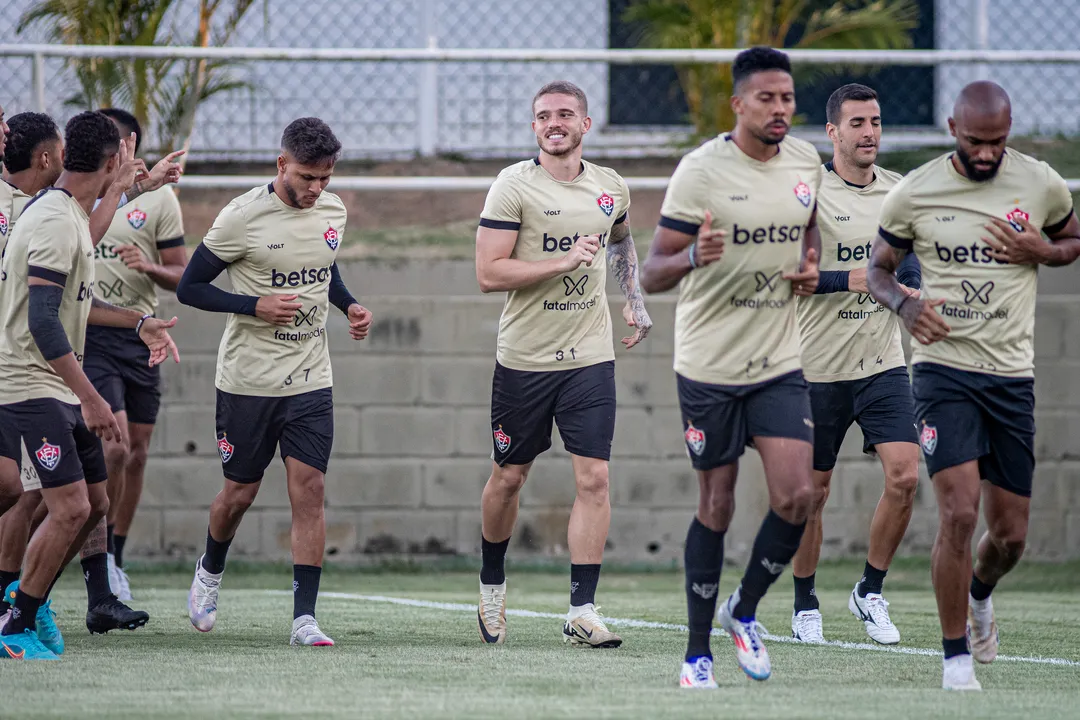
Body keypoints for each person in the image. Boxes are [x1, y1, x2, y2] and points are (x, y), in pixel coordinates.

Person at [868, 80, 1080, 690]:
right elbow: (878, 272)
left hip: (1011, 376)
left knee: (1010, 537)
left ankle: (982, 594)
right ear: (952, 128)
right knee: (958, 513)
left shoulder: (1040, 182)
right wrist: (906, 311)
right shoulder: (916, 190)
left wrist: (1043, 249)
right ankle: (955, 658)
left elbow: (1072, 241)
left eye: (999, 142)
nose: (988, 154)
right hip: (942, 372)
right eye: (976, 141)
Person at [640, 47, 821, 688]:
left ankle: (743, 611)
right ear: (738, 104)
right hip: (709, 366)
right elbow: (652, 270)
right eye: (766, 99)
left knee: (798, 494)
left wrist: (808, 266)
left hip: (777, 359)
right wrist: (693, 257)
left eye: (787, 98)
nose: (780, 109)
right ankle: (696, 657)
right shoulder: (701, 172)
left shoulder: (806, 162)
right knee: (716, 504)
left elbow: (809, 233)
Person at [177, 117, 371, 647]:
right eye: (307, 177)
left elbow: (321, 268)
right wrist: (253, 305)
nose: (316, 189)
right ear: (281, 164)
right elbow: (190, 288)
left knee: (310, 490)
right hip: (248, 381)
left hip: (311, 377)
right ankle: (210, 571)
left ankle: (303, 619)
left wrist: (349, 304)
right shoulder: (241, 217)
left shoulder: (333, 211)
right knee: (239, 492)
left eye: (325, 178)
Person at [473, 80, 652, 648]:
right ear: (534, 128)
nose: (555, 122)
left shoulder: (610, 187)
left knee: (595, 477)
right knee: (509, 477)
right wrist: (559, 262)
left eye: (566, 114)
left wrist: (636, 300)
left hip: (590, 357)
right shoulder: (512, 187)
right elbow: (488, 274)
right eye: (544, 115)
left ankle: (582, 609)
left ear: (585, 124)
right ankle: (492, 584)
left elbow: (620, 241)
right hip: (525, 359)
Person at [0, 111, 179, 660]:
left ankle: (22, 600)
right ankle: (16, 621)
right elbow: (45, 322)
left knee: (94, 503)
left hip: (52, 384)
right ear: (111, 161)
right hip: (31, 384)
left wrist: (138, 320)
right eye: (121, 162)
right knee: (69, 507)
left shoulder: (67, 213)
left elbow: (78, 296)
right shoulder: (55, 218)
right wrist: (92, 396)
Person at [790, 83, 922, 645]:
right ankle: (804, 604)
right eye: (858, 123)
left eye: (876, 121)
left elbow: (909, 272)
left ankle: (869, 590)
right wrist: (861, 278)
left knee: (906, 475)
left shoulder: (899, 193)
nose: (870, 132)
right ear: (833, 132)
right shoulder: (808, 193)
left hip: (883, 364)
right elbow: (793, 276)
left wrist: (910, 292)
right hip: (815, 369)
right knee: (812, 494)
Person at [84, 108, 189, 601]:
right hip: (92, 333)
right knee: (114, 447)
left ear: (129, 144)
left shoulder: (160, 200)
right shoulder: (78, 198)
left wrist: (146, 267)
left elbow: (182, 274)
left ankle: (115, 557)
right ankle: (97, 562)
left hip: (142, 333)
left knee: (137, 453)